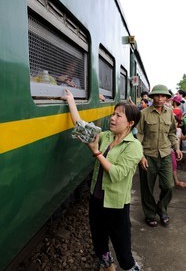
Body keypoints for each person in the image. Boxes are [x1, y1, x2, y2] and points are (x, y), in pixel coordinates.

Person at [62, 89, 143, 271]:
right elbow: (81, 125)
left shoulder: (134, 147)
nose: (112, 118)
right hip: (97, 199)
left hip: (116, 204)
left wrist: (96, 152)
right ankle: (108, 267)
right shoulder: (106, 136)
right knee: (99, 242)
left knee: (123, 249)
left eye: (118, 116)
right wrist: (71, 101)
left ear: (130, 123)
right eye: (113, 114)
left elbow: (116, 174)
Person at [136, 84, 183, 227]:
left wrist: (176, 148)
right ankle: (150, 214)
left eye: (163, 96)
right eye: (157, 95)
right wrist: (140, 156)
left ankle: (162, 209)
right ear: (152, 97)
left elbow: (171, 133)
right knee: (147, 188)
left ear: (167, 98)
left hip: (165, 155)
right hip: (148, 155)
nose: (160, 98)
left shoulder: (169, 113)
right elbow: (139, 135)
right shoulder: (144, 114)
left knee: (168, 185)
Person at [171, 116, 186, 188]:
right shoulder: (169, 131)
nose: (175, 123)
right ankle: (176, 181)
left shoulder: (179, 130)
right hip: (171, 150)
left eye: (176, 122)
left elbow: (182, 138)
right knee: (174, 165)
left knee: (173, 166)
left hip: (177, 150)